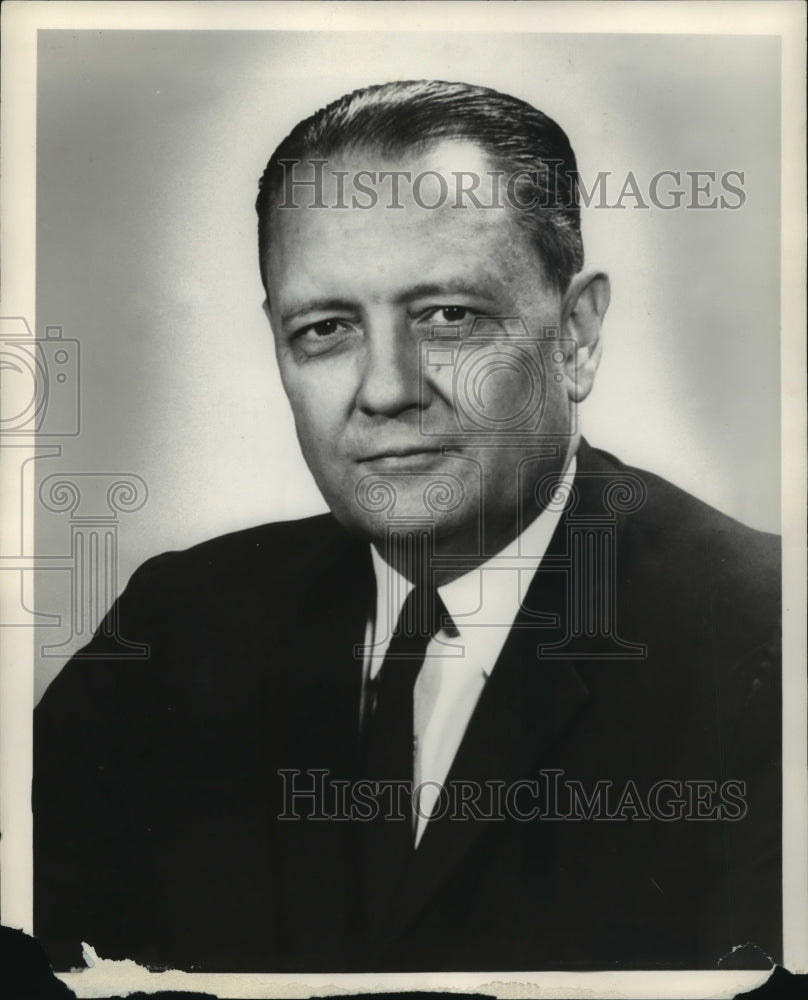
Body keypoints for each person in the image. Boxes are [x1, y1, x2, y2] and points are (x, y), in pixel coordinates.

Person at [34, 80, 781, 974]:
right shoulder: (172, 628)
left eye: (449, 317)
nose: (387, 389)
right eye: (326, 329)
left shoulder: (765, 643)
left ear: (576, 336)